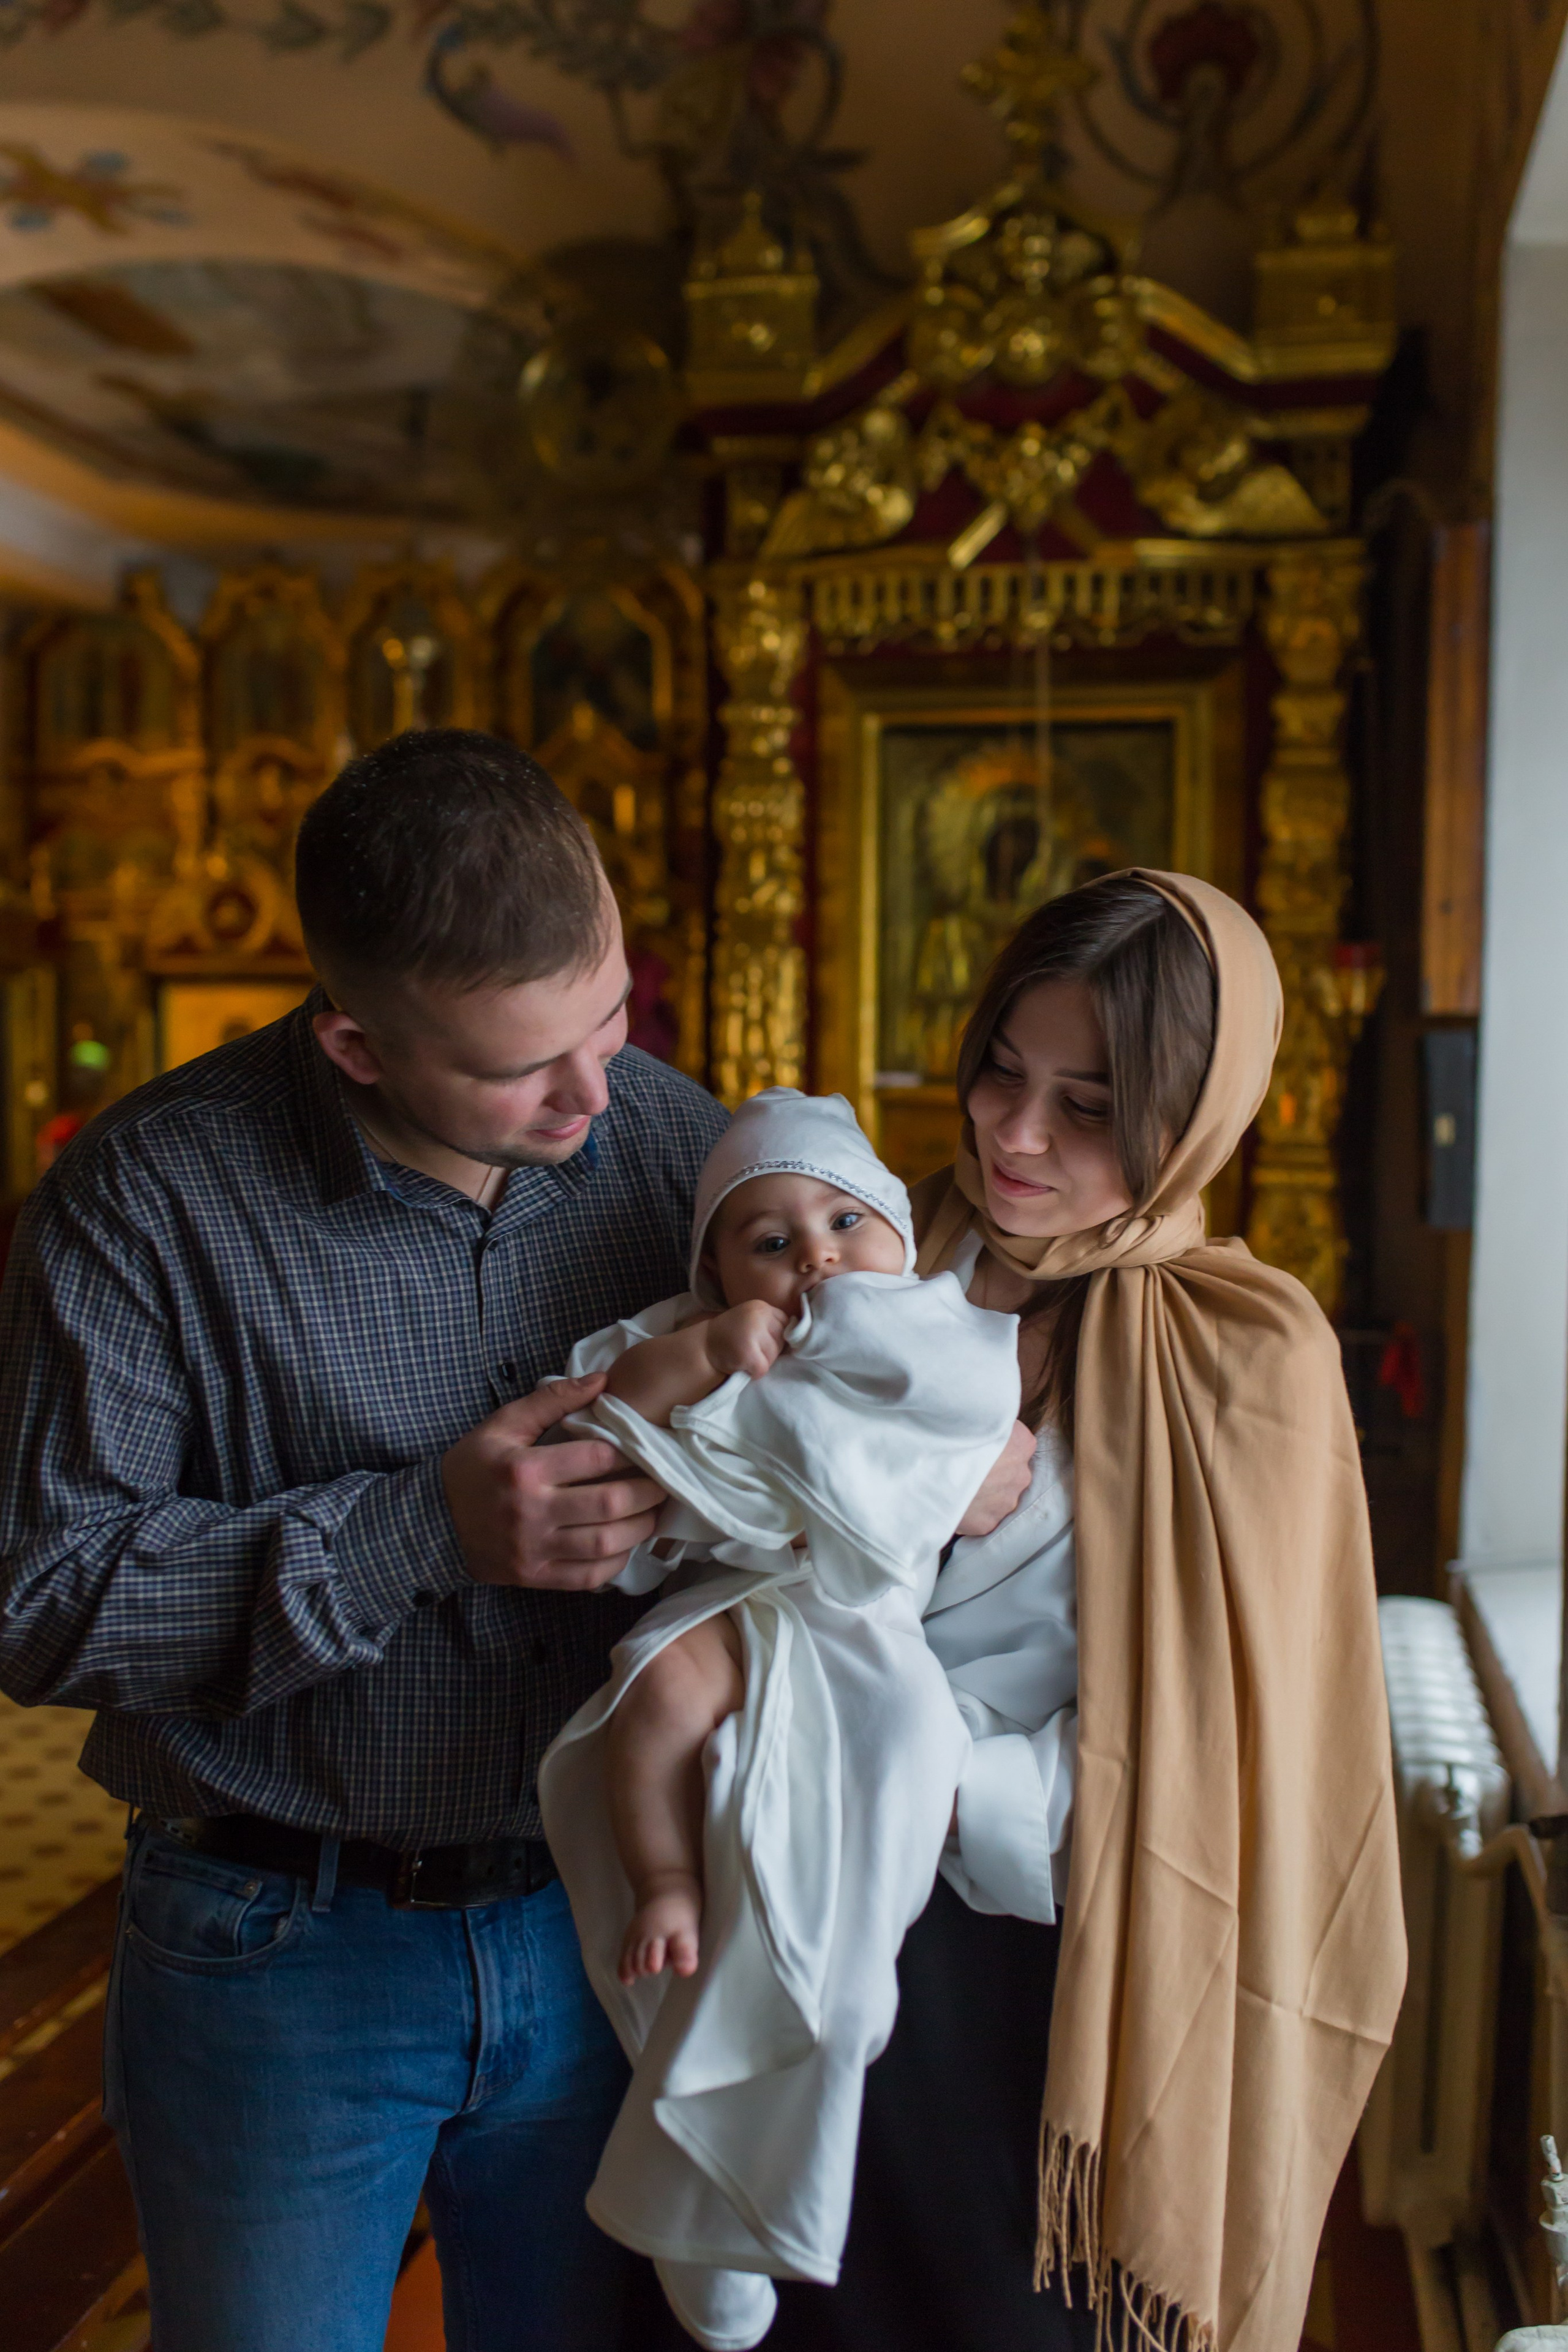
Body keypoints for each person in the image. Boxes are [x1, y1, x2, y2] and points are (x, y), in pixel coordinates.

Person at [0, 728, 735, 2352]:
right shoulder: (145, 1199)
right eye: (518, 1069)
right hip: (279, 1954)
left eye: (612, 1016)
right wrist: (417, 1532)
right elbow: (39, 1600)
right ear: (352, 1042)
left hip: (619, 1922)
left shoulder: (678, 1146)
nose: (592, 1096)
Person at [770, 870, 1407, 2352]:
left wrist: (917, 1781)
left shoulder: (1246, 1356)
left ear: (1188, 1119)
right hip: (782, 1932)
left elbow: (1232, 1768)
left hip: (1043, 1984)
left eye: (1087, 1106)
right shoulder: (860, 1253)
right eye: (1001, 1068)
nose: (1010, 1132)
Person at [538, 1089, 1026, 2351]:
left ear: (902, 1241)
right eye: (767, 1236)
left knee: (910, 1766)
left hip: (857, 1632)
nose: (813, 1252)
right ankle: (660, 1889)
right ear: (710, 1269)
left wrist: (950, 1478)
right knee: (652, 1704)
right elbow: (600, 1410)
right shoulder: (686, 1332)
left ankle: (788, 2103)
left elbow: (974, 1456)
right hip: (732, 1603)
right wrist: (705, 1353)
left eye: (842, 1220)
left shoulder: (937, 1333)